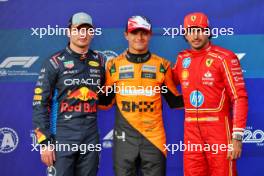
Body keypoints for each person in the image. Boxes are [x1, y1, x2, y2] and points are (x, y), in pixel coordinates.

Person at [103, 15, 184, 176]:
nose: (139, 37)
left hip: (153, 139)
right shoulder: (113, 66)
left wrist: (203, 93)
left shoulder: (162, 65)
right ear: (126, 35)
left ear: (150, 34)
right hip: (124, 139)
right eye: (134, 33)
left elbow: (175, 101)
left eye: (144, 33)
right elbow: (105, 102)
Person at [172, 12, 248, 176]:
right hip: (191, 131)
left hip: (219, 130)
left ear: (208, 31)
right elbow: (165, 82)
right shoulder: (182, 59)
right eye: (190, 30)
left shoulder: (224, 57)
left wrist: (237, 137)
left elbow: (239, 97)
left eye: (200, 30)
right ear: (185, 34)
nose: (196, 35)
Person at [32, 12, 105, 176]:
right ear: (69, 32)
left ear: (92, 33)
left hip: (90, 138)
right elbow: (40, 104)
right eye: (78, 29)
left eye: (87, 30)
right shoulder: (54, 62)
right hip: (62, 138)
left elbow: (105, 97)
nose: (83, 34)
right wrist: (44, 142)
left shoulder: (100, 61)